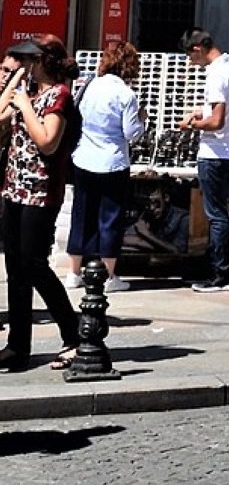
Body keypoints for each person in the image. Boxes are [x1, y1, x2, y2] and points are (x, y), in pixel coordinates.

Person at [0, 36, 80, 371]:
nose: (25, 65)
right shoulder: (27, 95)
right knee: (15, 268)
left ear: (44, 61)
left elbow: (47, 142)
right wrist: (16, 81)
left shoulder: (59, 96)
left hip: (40, 193)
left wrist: (26, 106)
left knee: (35, 265)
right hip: (14, 190)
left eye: (29, 60)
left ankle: (73, 335)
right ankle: (18, 346)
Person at [65, 39, 142, 294]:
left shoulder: (89, 85)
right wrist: (143, 120)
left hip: (84, 158)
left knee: (82, 214)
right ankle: (109, 276)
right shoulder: (126, 94)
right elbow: (131, 133)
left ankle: (74, 272)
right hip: (113, 161)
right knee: (110, 218)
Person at [179, 29, 229, 294]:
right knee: (220, 214)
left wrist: (192, 123)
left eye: (189, 55)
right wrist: (203, 111)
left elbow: (217, 121)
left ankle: (222, 275)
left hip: (215, 152)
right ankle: (219, 270)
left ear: (197, 48)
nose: (190, 62)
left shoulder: (215, 75)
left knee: (216, 216)